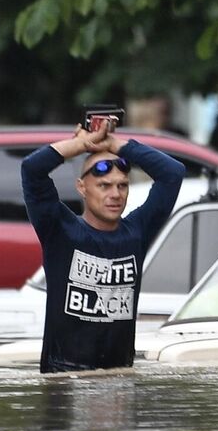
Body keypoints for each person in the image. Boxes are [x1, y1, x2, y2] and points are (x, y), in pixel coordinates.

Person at [20, 115, 185, 373]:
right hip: (65, 376)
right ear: (82, 188)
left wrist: (116, 144)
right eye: (104, 185)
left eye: (122, 186)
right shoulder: (61, 230)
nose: (115, 194)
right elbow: (32, 169)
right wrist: (82, 144)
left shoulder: (137, 232)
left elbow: (172, 173)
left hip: (119, 375)